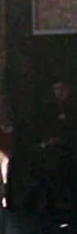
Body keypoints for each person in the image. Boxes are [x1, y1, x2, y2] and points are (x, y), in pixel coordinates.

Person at [35, 80, 77, 213]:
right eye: (57, 90)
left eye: (63, 89)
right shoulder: (46, 109)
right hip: (51, 149)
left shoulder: (72, 108)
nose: (60, 93)